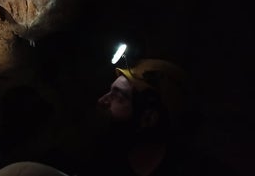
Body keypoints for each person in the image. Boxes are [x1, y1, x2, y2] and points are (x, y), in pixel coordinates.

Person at [83, 57, 236, 176]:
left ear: (149, 118)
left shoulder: (199, 170)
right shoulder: (106, 159)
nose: (102, 100)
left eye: (119, 96)